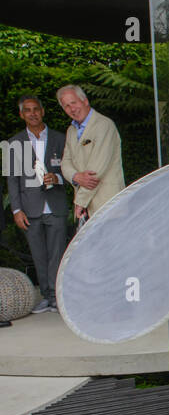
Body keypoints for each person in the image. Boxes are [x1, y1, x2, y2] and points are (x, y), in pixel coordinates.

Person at [7, 95, 68, 312]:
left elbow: (70, 170)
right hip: (29, 208)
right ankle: (46, 295)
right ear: (21, 114)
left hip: (56, 205)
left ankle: (58, 297)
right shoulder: (14, 142)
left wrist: (58, 178)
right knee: (38, 254)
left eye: (36, 109)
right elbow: (12, 179)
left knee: (58, 254)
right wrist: (16, 210)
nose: (32, 113)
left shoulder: (61, 138)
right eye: (27, 110)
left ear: (42, 112)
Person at [57, 84, 125, 221]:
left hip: (107, 203)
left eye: (74, 103)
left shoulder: (104, 125)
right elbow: (65, 163)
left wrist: (80, 202)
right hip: (86, 207)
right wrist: (75, 176)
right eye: (67, 106)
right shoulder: (71, 131)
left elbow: (96, 172)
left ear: (85, 101)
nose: (72, 109)